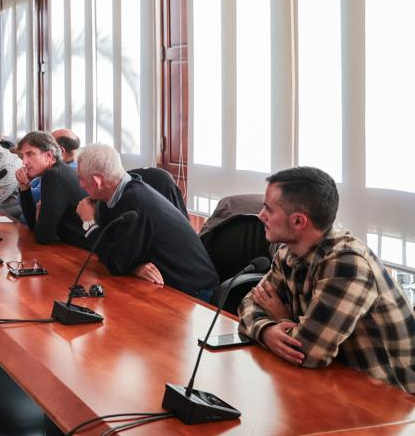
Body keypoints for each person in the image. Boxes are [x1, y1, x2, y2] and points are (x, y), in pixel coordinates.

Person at [238, 167, 415, 393]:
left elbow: (308, 352)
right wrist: (268, 331)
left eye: (268, 209)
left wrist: (282, 318)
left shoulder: (347, 264)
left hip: (390, 401)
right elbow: (248, 303)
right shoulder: (289, 252)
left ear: (299, 221)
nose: (261, 215)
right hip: (335, 384)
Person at [74, 143, 218, 300]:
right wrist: (133, 267)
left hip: (193, 293)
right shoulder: (115, 198)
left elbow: (115, 263)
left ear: (97, 181)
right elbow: (113, 252)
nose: (80, 185)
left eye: (81, 179)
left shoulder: (134, 202)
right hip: (166, 284)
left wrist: (89, 223)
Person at [16, 131, 88, 246]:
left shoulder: (54, 176)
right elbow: (33, 226)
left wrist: (39, 221)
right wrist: (25, 186)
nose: (24, 162)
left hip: (80, 252)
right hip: (69, 246)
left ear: (48, 155)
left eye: (29, 154)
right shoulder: (57, 170)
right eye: (23, 156)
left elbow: (43, 237)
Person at [29, 129, 80, 205]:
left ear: (61, 151)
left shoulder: (59, 174)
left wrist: (25, 185)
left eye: (46, 145)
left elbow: (30, 197)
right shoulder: (56, 167)